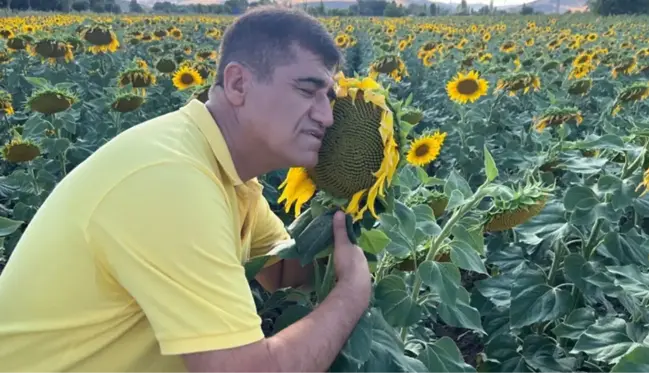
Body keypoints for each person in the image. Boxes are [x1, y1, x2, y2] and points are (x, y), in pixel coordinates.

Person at [0, 6, 371, 373]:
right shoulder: (172, 179)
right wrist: (350, 296)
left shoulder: (224, 172)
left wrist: (356, 196)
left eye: (330, 98)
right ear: (239, 84)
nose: (325, 116)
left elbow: (286, 272)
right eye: (308, 91)